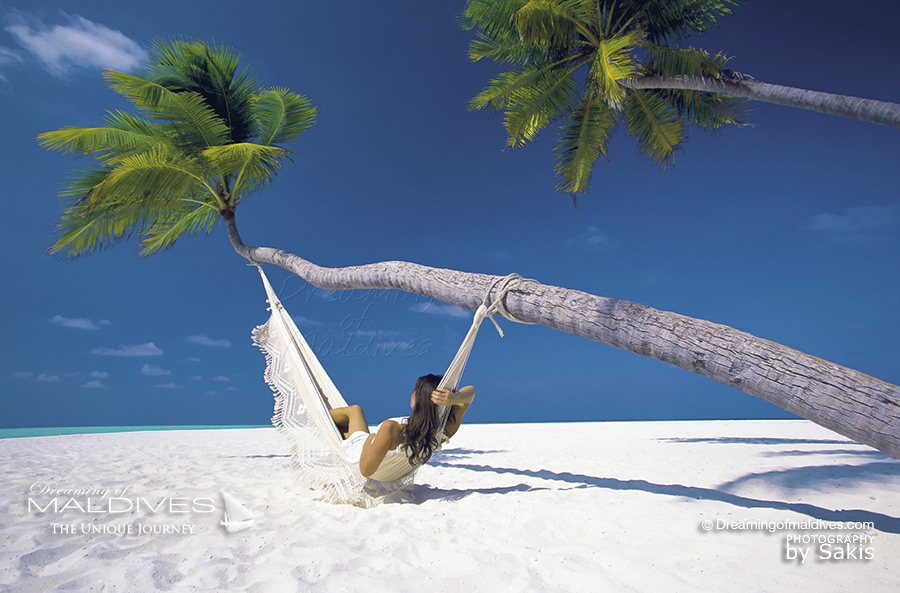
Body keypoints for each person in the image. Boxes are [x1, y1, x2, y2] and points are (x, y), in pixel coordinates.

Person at [328, 374, 475, 478]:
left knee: (354, 410)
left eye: (414, 391)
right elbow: (471, 392)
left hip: (359, 450)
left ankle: (318, 409)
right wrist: (455, 398)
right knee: (352, 415)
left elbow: (365, 471)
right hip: (375, 452)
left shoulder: (391, 428)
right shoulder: (442, 431)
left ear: (420, 398)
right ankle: (321, 408)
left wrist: (369, 441)